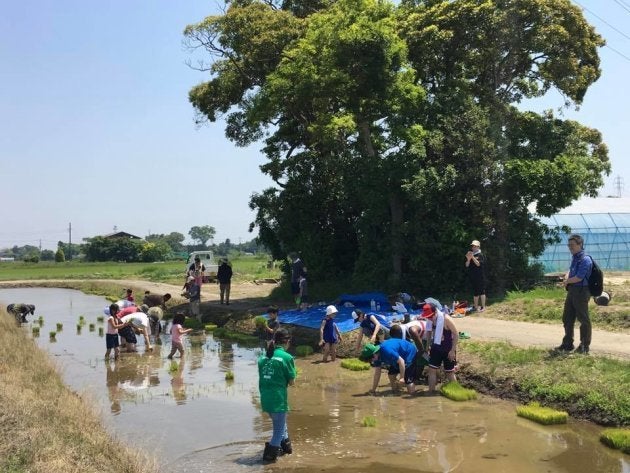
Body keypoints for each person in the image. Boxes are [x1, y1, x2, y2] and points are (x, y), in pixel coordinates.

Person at [258, 327, 296, 462]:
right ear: (287, 342)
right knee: (278, 432)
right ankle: (268, 458)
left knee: (281, 424)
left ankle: (287, 447)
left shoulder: (263, 358)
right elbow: (292, 382)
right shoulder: (287, 357)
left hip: (265, 398)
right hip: (278, 399)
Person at [556, 234, 593, 354]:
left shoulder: (585, 259)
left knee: (583, 319)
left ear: (580, 244)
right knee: (567, 317)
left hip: (582, 291)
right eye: (568, 245)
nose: (570, 247)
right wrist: (567, 276)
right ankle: (567, 343)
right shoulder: (575, 257)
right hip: (572, 291)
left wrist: (567, 281)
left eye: (572, 245)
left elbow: (579, 277)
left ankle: (584, 346)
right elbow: (571, 271)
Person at [359, 324, 418, 395]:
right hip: (398, 355)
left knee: (408, 379)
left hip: (409, 352)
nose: (373, 361)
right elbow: (377, 374)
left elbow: (401, 361)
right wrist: (373, 389)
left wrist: (402, 377)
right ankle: (396, 392)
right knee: (391, 375)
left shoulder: (386, 350)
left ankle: (412, 396)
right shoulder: (376, 357)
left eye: (372, 359)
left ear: (374, 353)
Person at [421, 303, 459, 394]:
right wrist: (427, 347)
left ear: (435, 312)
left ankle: (457, 392)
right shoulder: (430, 320)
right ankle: (431, 391)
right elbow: (429, 332)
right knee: (431, 370)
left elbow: (456, 334)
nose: (429, 318)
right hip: (436, 348)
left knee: (449, 372)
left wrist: (452, 351)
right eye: (427, 317)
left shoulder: (446, 319)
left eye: (430, 316)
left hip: (448, 350)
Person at [465, 239, 487, 311]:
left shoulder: (480, 254)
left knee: (482, 291)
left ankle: (483, 307)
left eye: (475, 246)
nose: (473, 247)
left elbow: (478, 264)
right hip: (473, 276)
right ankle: (475, 306)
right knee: (475, 292)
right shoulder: (471, 254)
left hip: (480, 276)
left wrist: (472, 257)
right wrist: (468, 259)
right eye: (472, 246)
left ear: (478, 247)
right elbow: (467, 265)